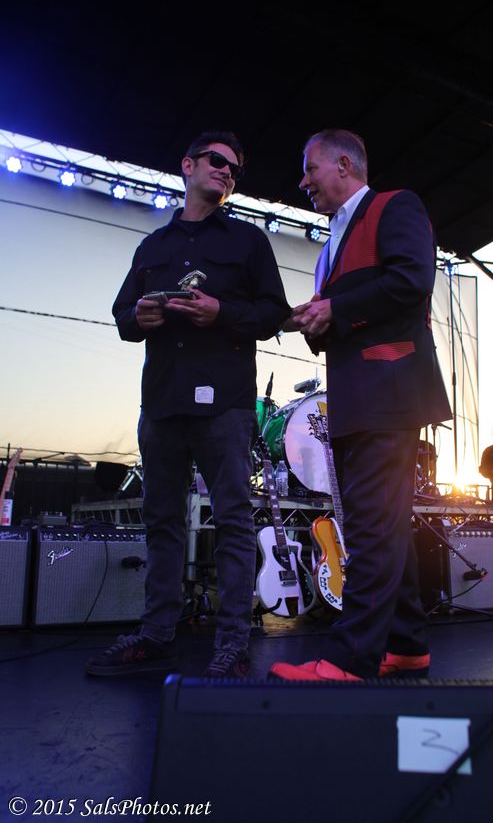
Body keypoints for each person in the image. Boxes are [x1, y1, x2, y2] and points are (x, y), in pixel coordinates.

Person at [86, 131, 290, 678]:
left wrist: (221, 312)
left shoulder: (248, 242)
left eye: (235, 169)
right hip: (161, 402)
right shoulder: (152, 246)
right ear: (187, 165)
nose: (227, 171)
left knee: (233, 519)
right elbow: (122, 313)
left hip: (224, 403)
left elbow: (274, 313)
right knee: (162, 520)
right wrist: (139, 317)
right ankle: (156, 633)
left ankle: (233, 642)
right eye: (218, 161)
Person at [270, 129, 451, 682]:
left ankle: (350, 659)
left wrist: (336, 309)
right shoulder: (330, 246)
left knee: (372, 528)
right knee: (384, 526)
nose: (303, 181)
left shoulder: (395, 206)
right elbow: (341, 321)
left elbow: (413, 279)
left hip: (390, 390)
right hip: (355, 398)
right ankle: (407, 645)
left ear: (344, 165)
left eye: (310, 168)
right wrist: (314, 321)